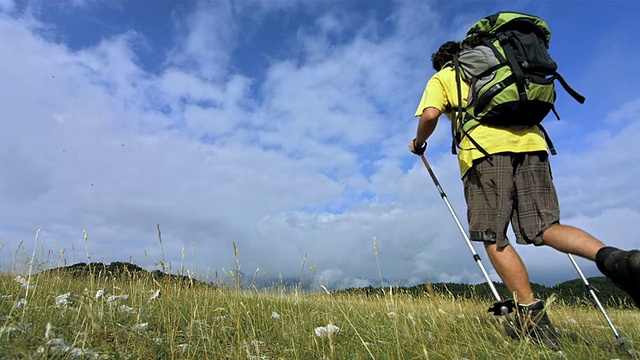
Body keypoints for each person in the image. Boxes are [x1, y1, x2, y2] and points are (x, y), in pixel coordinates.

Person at [408, 41, 640, 349]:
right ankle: (618, 260)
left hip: (484, 152)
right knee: (546, 227)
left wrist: (418, 142)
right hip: (533, 145)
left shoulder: (445, 75)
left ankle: (533, 322)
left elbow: (430, 115)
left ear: (441, 62)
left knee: (493, 236)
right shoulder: (501, 62)